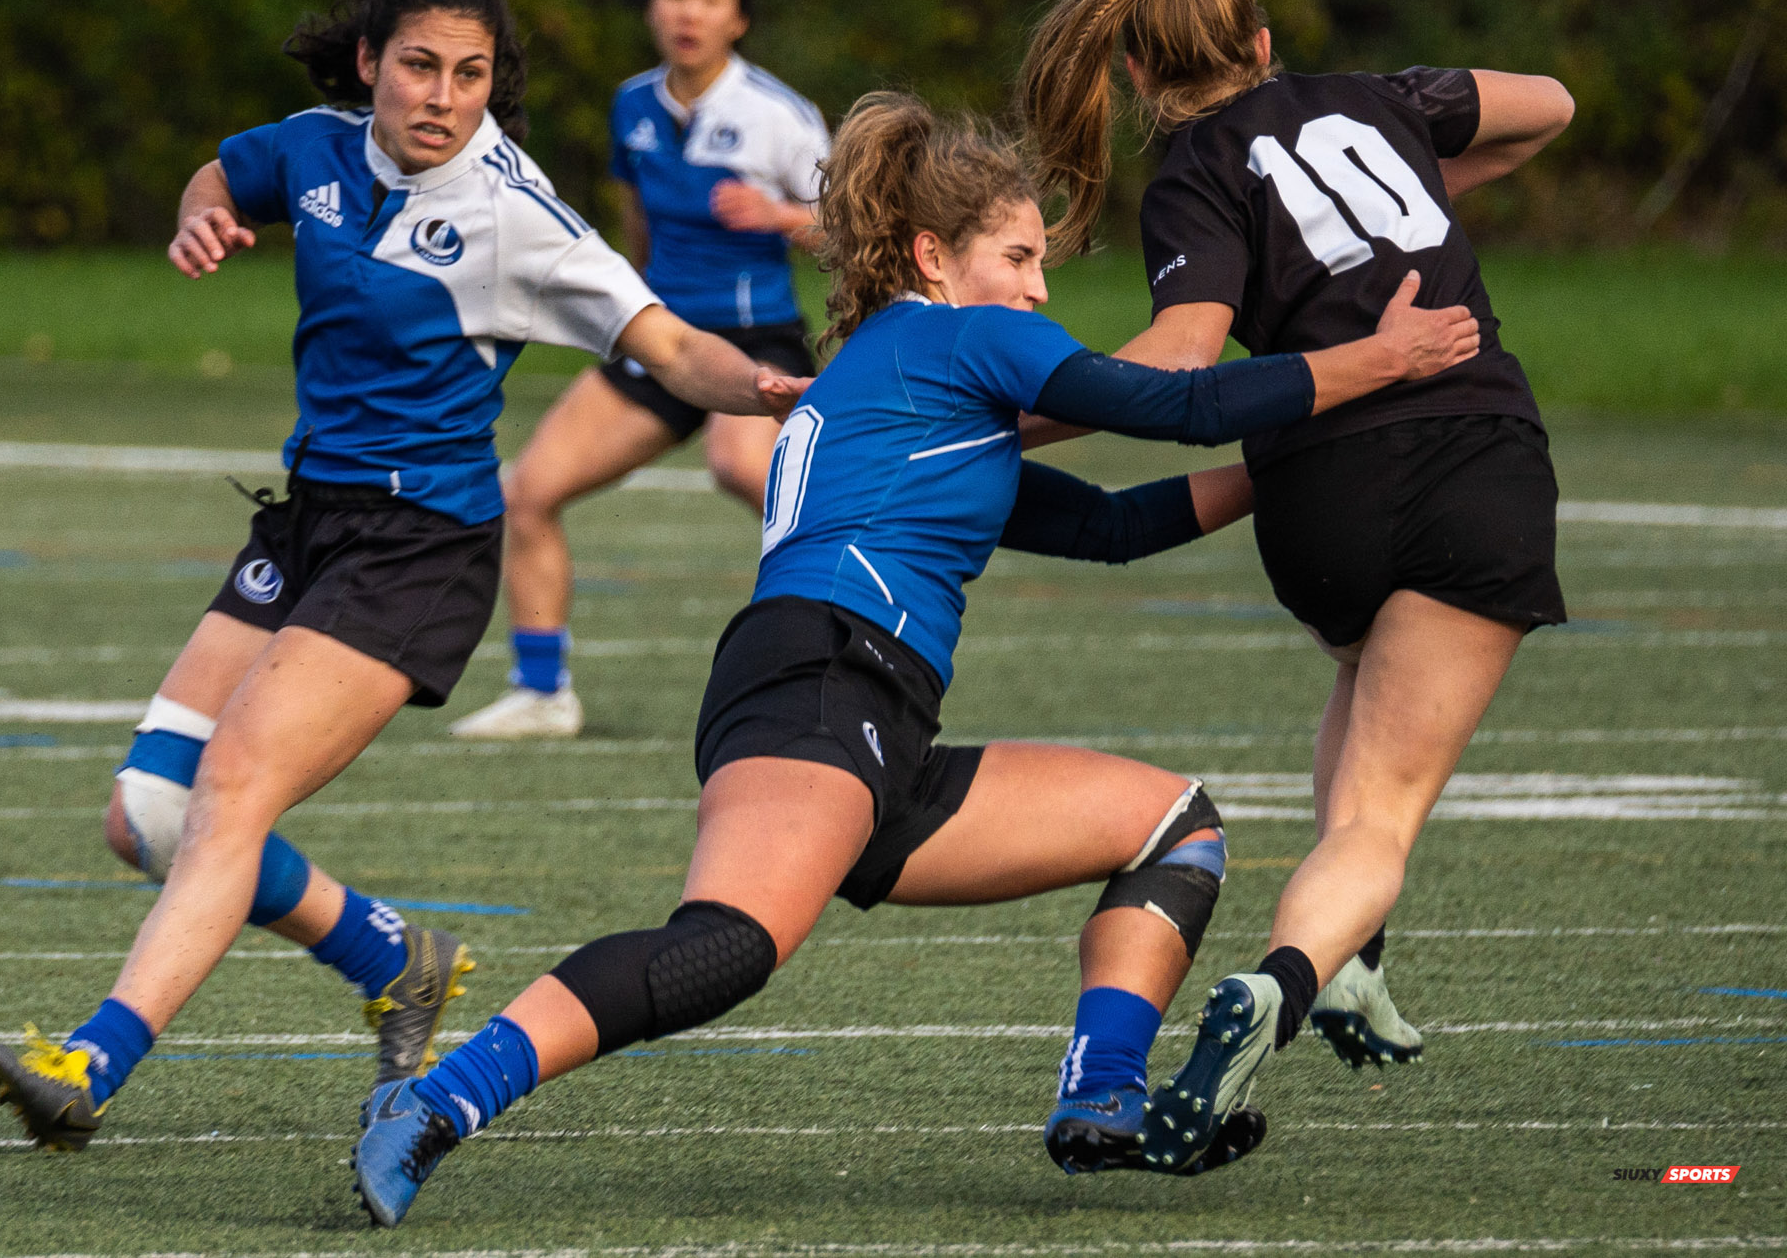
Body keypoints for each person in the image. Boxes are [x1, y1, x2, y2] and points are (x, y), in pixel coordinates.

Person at [346, 90, 1478, 1227]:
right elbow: (1160, 401)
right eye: (1020, 257)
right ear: (934, 257)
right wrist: (1368, 365)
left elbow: (1108, 524)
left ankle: (1101, 1097)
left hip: (866, 706)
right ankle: (436, 1097)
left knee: (1171, 829)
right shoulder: (950, 336)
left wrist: (1289, 465)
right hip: (826, 674)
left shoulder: (911, 387)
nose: (1038, 290)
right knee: (725, 948)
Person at [0, 0, 805, 1152]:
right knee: (146, 814)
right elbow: (225, 169)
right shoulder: (314, 147)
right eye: (418, 65)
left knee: (230, 792)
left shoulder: (518, 217)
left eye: (469, 75)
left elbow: (670, 351)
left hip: (419, 548)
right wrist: (202, 210)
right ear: (370, 64)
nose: (441, 97)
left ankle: (90, 1062)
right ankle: (393, 957)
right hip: (309, 521)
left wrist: (768, 387)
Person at [1015, 0, 1575, 1170]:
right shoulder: (1379, 100)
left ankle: (1353, 959)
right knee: (1377, 817)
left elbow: (1173, 363)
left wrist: (996, 406)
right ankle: (1290, 970)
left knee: (1357, 675)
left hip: (1316, 495)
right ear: (1262, 42)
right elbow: (1550, 107)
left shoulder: (1192, 172)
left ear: (1139, 78)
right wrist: (1423, 157)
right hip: (1471, 454)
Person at [450, 0, 829, 740]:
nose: (687, 11)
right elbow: (634, 223)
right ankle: (543, 690)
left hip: (756, 335)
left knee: (744, 468)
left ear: (740, 19)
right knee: (529, 491)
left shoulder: (780, 117)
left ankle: (848, 629)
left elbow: (858, 231)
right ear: (653, 7)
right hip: (661, 339)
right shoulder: (633, 105)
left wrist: (783, 216)